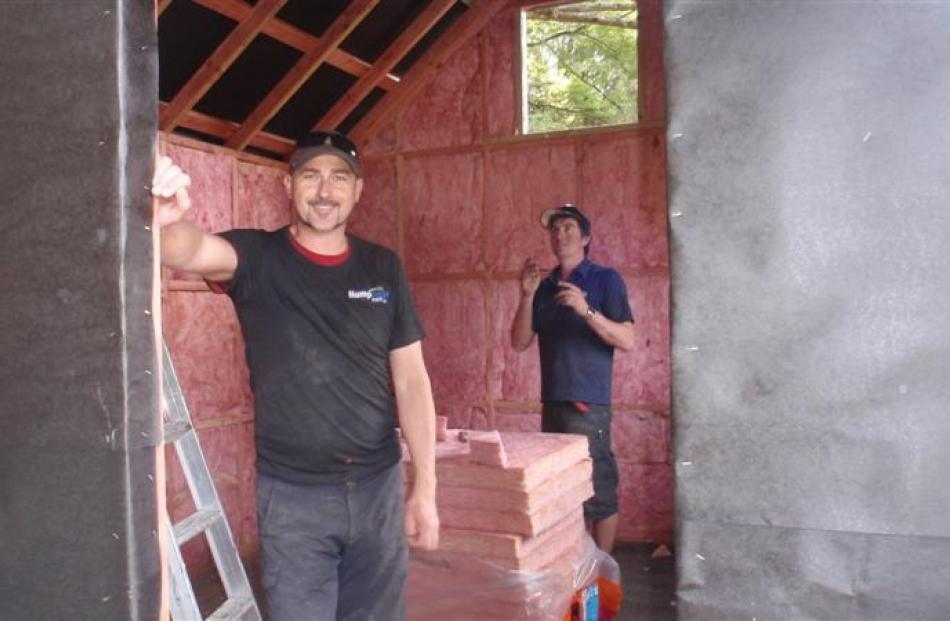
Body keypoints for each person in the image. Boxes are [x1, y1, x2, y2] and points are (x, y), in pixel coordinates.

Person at [151, 131, 439, 621]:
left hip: (378, 491)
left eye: (338, 178)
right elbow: (187, 250)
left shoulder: (383, 268)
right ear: (289, 185)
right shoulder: (257, 258)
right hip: (294, 500)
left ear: (358, 190)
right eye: (311, 175)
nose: (325, 191)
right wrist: (168, 217)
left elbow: (412, 381)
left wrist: (425, 488)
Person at [510, 203, 635, 554]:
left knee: (600, 494)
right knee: (565, 493)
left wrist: (587, 310)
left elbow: (627, 339)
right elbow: (518, 342)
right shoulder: (545, 286)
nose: (559, 235)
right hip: (552, 405)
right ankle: (577, 566)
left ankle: (602, 571)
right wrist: (527, 295)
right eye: (554, 230)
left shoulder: (605, 279)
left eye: (567, 228)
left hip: (588, 406)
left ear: (585, 238)